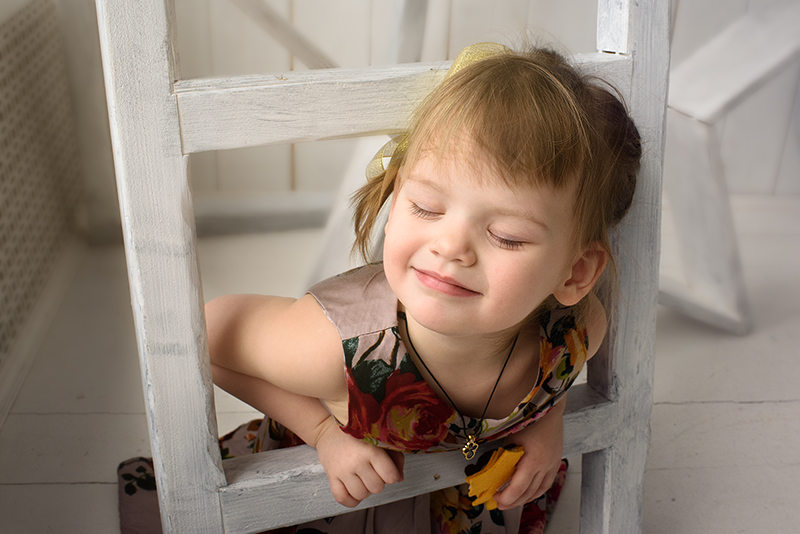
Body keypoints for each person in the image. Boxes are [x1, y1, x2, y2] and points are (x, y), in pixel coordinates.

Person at [206, 42, 641, 534]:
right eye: (427, 208)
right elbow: (209, 334)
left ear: (575, 273)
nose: (450, 246)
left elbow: (557, 381)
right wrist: (324, 431)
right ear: (396, 198)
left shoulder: (574, 335)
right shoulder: (337, 350)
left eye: (506, 236)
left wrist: (546, 422)